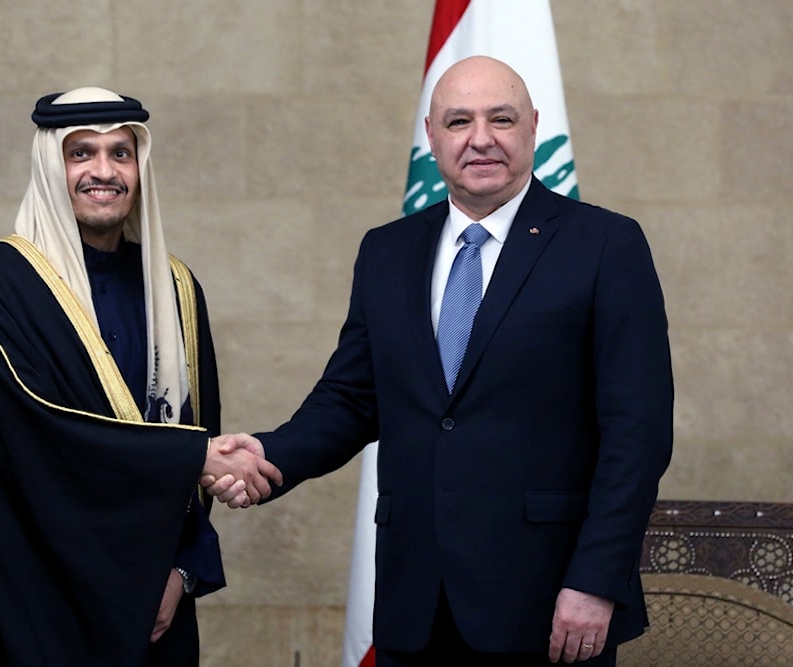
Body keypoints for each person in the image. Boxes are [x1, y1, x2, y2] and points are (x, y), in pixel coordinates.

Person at [205, 56, 673, 666]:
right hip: (414, 601)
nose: (480, 139)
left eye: (500, 119)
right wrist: (269, 456)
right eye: (459, 121)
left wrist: (595, 579)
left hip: (547, 600)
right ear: (432, 135)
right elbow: (352, 398)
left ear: (533, 126)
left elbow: (637, 434)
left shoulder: (606, 245)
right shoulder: (387, 250)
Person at [0, 87, 279, 666]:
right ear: (52, 165)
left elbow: (198, 431)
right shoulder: (1, 278)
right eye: (81, 153)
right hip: (32, 598)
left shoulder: (175, 288)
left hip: (156, 603)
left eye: (120, 154)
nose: (103, 172)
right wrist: (198, 458)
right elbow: (36, 436)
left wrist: (182, 571)